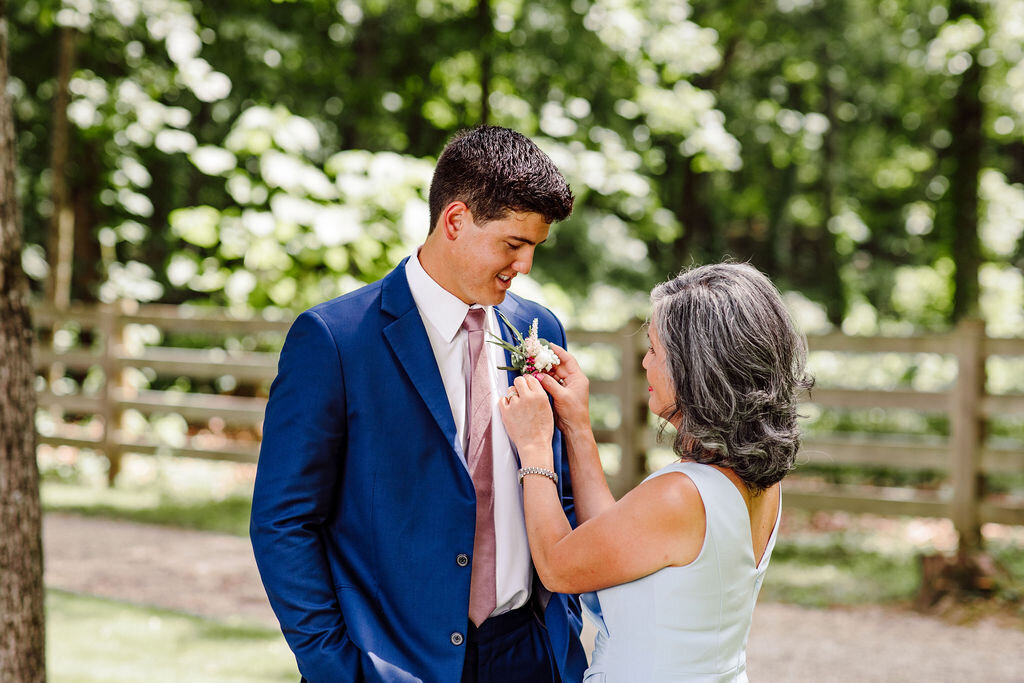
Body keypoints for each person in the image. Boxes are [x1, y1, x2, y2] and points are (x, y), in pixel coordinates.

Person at [250, 125, 588, 683]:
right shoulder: (335, 340)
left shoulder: (539, 330)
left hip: (528, 654)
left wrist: (562, 627)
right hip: (393, 662)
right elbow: (284, 522)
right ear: (454, 221)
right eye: (513, 244)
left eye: (535, 248)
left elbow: (561, 490)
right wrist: (338, 668)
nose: (525, 265)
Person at [500, 262, 813, 682]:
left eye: (654, 349)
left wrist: (535, 445)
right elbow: (616, 542)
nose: (645, 363)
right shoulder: (755, 481)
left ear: (694, 368)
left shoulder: (681, 495)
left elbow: (558, 567)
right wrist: (576, 424)